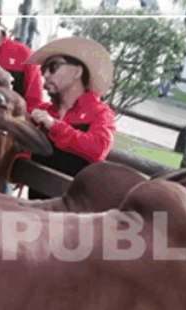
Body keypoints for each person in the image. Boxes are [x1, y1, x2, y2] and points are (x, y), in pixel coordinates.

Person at [23, 37, 117, 199]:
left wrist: (54, 127)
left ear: (77, 72)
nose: (45, 75)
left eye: (53, 67)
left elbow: (97, 149)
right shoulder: (41, 111)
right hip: (35, 209)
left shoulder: (101, 113)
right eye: (43, 69)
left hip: (73, 216)